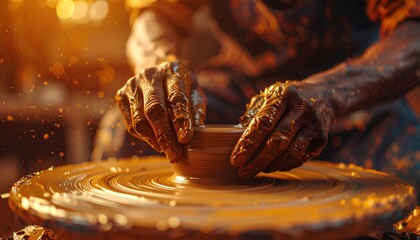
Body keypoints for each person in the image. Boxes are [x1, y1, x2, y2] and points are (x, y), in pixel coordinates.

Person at [93, 0, 419, 196]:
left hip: (352, 92)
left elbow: (414, 35)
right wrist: (157, 64)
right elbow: (155, 14)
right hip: (241, 87)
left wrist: (328, 94)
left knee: (407, 164)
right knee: (124, 132)